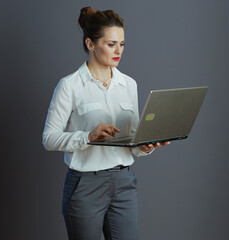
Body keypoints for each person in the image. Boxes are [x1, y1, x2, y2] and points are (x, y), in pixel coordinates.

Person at [42, 6, 169, 240]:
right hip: (85, 185)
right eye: (111, 44)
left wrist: (144, 147)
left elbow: (131, 138)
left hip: (124, 183)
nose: (118, 50)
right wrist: (88, 136)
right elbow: (49, 139)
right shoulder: (69, 86)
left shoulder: (129, 84)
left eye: (122, 44)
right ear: (91, 44)